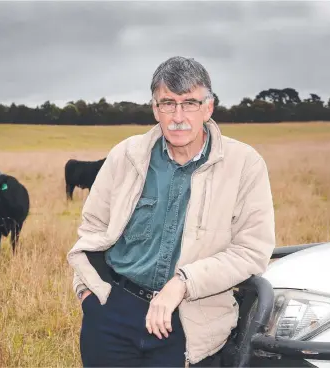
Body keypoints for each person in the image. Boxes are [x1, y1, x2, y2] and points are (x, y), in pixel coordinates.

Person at [66, 56, 276, 367]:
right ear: (155, 108)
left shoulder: (245, 164)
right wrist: (90, 296)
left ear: (209, 107)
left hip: (188, 320)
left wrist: (181, 284)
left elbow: (252, 250)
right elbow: (93, 227)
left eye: (190, 103)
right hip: (113, 312)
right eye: (168, 103)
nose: (178, 116)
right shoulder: (126, 155)